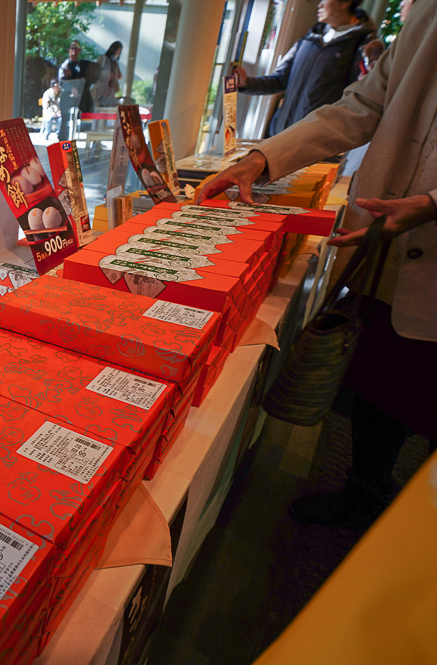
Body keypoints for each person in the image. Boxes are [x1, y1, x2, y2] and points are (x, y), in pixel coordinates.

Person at [197, 4, 437, 529]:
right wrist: (261, 159)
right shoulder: (426, 15)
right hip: (383, 237)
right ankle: (364, 491)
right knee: (382, 381)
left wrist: (432, 204)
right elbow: (361, 104)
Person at [233, 0, 375, 136]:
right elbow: (280, 80)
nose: (319, 5)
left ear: (345, 2)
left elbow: (355, 101)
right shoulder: (310, 38)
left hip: (315, 142)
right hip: (280, 134)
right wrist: (247, 83)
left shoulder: (363, 46)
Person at [57, 40, 99, 140]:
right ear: (69, 50)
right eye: (72, 49)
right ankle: (63, 143)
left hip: (79, 99)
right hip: (67, 98)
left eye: (76, 49)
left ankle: (91, 139)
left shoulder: (81, 66)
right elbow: (62, 82)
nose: (74, 51)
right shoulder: (65, 65)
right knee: (65, 123)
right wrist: (72, 89)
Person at [95, 41, 123, 107]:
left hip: (110, 94)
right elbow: (99, 73)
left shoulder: (115, 62)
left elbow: (119, 75)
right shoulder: (103, 59)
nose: (117, 53)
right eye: (117, 51)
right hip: (101, 92)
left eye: (119, 52)